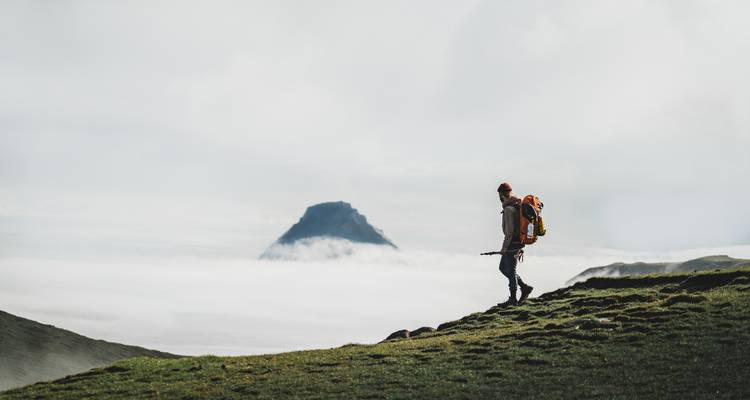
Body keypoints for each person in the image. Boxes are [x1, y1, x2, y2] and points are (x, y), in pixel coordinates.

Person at [497, 182, 534, 306]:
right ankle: (524, 286)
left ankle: (513, 299)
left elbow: (510, 231)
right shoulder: (516, 205)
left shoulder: (508, 209)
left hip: (513, 243)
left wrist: (504, 247)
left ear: (502, 195)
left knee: (510, 270)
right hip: (518, 242)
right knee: (503, 268)